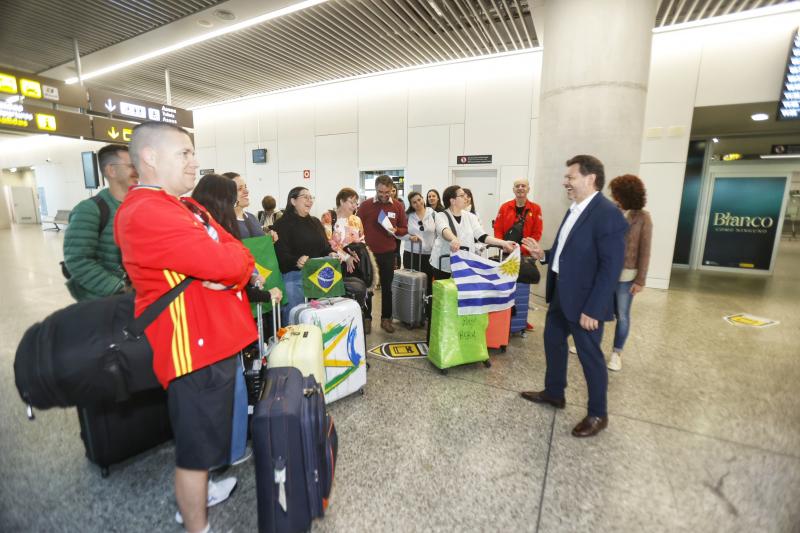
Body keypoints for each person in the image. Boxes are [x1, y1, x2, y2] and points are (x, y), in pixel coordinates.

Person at [116, 122, 257, 533]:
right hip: (191, 348)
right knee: (195, 449)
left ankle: (202, 492)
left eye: (194, 153)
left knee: (210, 433)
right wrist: (229, 266)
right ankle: (196, 523)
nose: (195, 162)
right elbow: (225, 262)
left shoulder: (185, 206)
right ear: (150, 158)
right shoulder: (146, 212)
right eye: (184, 153)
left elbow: (237, 251)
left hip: (215, 338)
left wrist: (231, 266)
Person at [520, 155, 627, 438]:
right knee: (553, 341)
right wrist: (543, 255)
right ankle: (555, 392)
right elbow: (566, 253)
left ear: (590, 179)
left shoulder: (608, 213)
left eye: (571, 177)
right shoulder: (575, 209)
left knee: (590, 357)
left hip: (586, 303)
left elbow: (611, 267)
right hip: (561, 296)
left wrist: (594, 308)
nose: (565, 182)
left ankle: (598, 414)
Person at [62, 143, 138, 301]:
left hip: (138, 299)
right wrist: (119, 288)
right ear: (112, 170)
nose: (137, 171)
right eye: (131, 166)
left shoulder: (141, 206)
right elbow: (77, 260)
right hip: (104, 303)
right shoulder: (90, 210)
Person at [606, 174, 652, 372]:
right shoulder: (611, 211)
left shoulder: (643, 218)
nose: (613, 196)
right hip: (606, 273)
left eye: (616, 192)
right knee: (597, 311)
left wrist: (640, 280)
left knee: (623, 315)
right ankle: (588, 344)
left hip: (627, 277)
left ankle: (617, 353)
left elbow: (645, 250)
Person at [273, 187, 335, 324]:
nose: (309, 200)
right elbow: (281, 256)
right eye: (305, 197)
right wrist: (297, 261)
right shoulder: (281, 224)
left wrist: (331, 253)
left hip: (318, 277)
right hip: (294, 277)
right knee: (295, 321)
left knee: (319, 320)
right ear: (293, 201)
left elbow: (324, 247)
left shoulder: (315, 222)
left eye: (310, 197)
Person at [429, 185, 516, 280]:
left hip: (464, 263)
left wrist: (503, 243)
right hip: (444, 264)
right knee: (446, 293)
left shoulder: (470, 217)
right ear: (452, 201)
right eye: (462, 195)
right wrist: (453, 238)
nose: (466, 198)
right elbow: (444, 230)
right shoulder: (441, 216)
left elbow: (482, 236)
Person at [357, 175, 408, 333]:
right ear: (376, 189)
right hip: (369, 254)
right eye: (380, 191)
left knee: (387, 288)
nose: (384, 195)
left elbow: (404, 229)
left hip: (388, 253)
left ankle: (386, 319)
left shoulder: (398, 206)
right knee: (368, 288)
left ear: (392, 189)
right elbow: (356, 227)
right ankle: (367, 319)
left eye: (387, 192)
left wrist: (396, 230)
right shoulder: (365, 206)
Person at [493, 178, 544, 331]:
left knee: (522, 289)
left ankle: (521, 320)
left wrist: (522, 249)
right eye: (517, 186)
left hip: (526, 256)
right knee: (506, 287)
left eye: (523, 186)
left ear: (528, 189)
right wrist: (504, 245)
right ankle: (504, 317)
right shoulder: (505, 207)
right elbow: (498, 229)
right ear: (513, 189)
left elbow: (537, 233)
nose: (520, 188)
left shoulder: (535, 209)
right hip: (507, 254)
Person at [320, 187, 374, 332]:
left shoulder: (357, 220)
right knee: (341, 296)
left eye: (356, 203)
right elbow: (328, 242)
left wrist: (356, 255)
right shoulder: (328, 217)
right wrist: (346, 256)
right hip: (337, 264)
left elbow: (362, 240)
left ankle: (358, 323)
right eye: (351, 202)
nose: (354, 206)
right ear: (341, 201)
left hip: (356, 264)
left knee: (360, 292)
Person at [401, 191, 436, 322]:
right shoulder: (407, 216)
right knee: (412, 284)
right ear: (410, 204)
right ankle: (411, 313)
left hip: (429, 254)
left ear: (423, 199)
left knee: (427, 285)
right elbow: (399, 234)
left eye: (419, 200)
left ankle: (426, 313)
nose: (418, 203)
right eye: (414, 202)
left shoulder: (433, 213)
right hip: (411, 254)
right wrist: (410, 237)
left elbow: (439, 232)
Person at [222, 172, 266, 240]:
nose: (246, 191)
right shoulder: (222, 222)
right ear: (227, 194)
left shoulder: (252, 217)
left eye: (245, 187)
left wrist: (268, 239)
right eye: (240, 189)